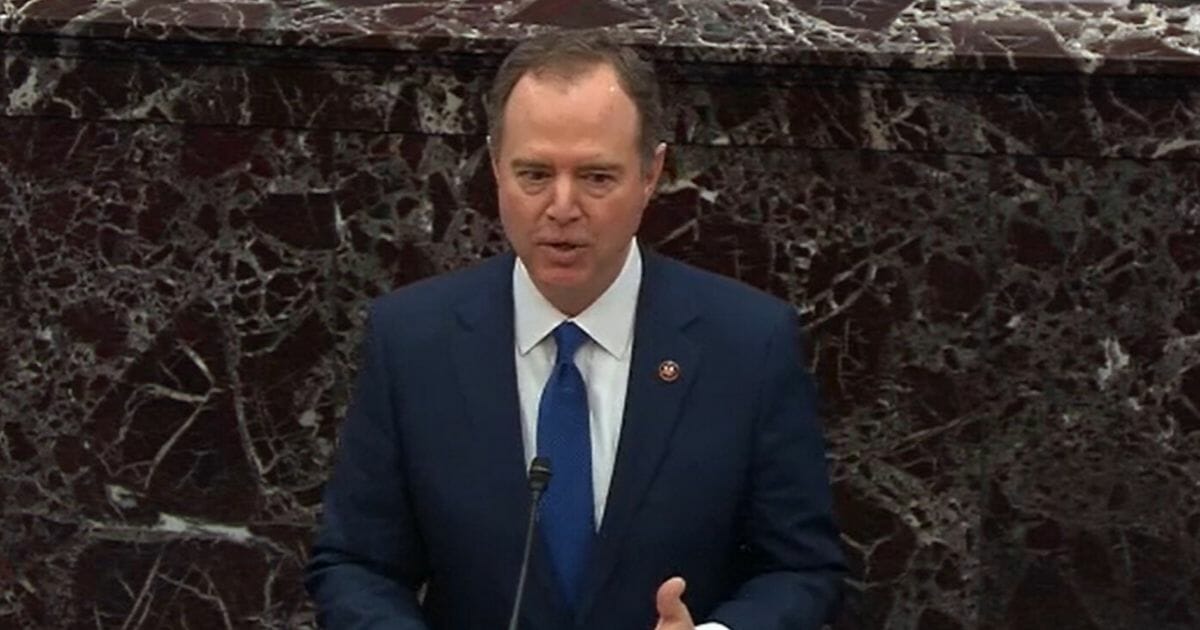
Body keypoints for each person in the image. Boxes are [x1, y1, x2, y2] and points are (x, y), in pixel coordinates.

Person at [305, 29, 845, 630]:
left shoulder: (747, 343)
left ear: (652, 174)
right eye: (534, 175)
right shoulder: (412, 340)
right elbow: (356, 566)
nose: (562, 207)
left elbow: (802, 570)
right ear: (494, 168)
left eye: (596, 177)